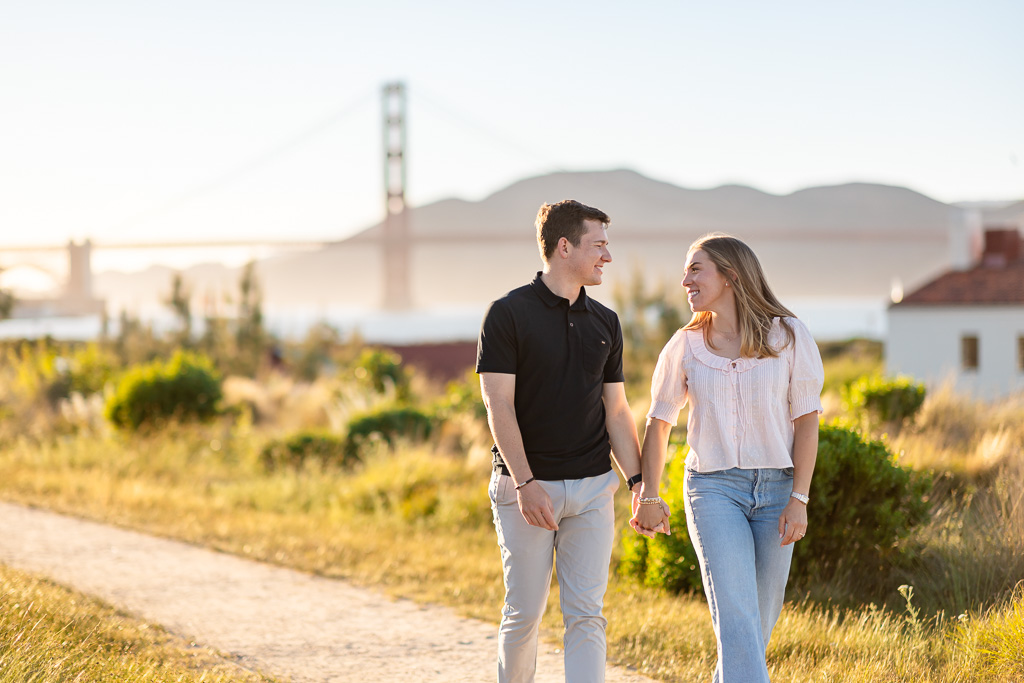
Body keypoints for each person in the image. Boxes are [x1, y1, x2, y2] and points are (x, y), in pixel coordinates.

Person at [632, 233, 824, 683]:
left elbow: (808, 421)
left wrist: (800, 497)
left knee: (756, 623)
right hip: (713, 490)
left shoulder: (790, 336)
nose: (685, 279)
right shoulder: (685, 345)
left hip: (778, 490)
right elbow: (659, 423)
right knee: (738, 617)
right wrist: (649, 495)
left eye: (695, 269)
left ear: (730, 276)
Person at [477, 199, 654, 683]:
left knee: (587, 615)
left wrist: (638, 480)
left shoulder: (606, 322)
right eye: (598, 245)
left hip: (594, 488)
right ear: (563, 246)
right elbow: (499, 406)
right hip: (528, 490)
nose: (607, 257)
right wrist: (525, 482)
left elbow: (616, 410)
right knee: (525, 614)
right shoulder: (507, 314)